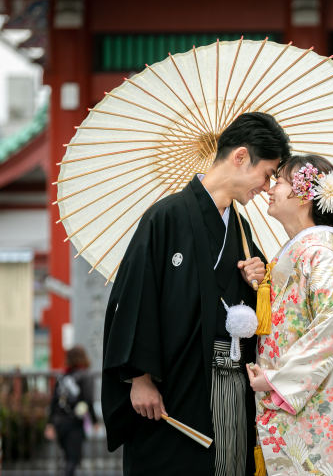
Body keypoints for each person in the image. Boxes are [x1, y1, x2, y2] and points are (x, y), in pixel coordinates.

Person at [101, 112, 289, 476]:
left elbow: (249, 311)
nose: (267, 187)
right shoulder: (165, 217)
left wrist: (257, 280)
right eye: (266, 174)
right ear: (239, 157)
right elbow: (136, 297)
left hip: (231, 380)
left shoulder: (240, 227)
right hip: (176, 380)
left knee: (230, 463)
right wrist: (139, 378)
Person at [246, 154, 333, 476]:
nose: (270, 188)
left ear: (303, 196)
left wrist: (278, 380)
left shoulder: (319, 257)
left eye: (278, 181)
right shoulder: (306, 255)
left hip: (302, 399)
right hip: (297, 399)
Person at [45, 346, 98, 476]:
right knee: (74, 459)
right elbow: (88, 400)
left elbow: (53, 401)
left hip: (59, 422)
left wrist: (50, 423)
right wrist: (94, 421)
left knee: (69, 457)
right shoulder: (85, 375)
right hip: (73, 422)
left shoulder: (62, 376)